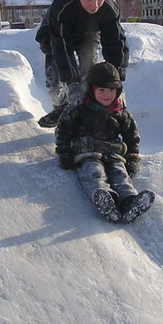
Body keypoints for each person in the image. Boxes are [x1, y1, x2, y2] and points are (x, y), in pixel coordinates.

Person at [55, 61, 154, 224]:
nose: (107, 95)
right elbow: (63, 129)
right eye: (102, 90)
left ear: (118, 90)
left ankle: (129, 201)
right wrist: (64, 153)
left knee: (120, 174)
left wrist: (132, 158)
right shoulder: (79, 109)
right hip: (87, 153)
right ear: (92, 89)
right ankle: (105, 199)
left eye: (111, 90)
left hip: (113, 153)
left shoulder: (120, 112)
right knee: (94, 173)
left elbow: (132, 135)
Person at [36, 0, 129, 127]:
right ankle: (61, 107)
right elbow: (61, 46)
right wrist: (72, 84)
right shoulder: (63, 4)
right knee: (54, 83)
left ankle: (88, 112)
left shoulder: (108, 10)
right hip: (56, 37)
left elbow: (116, 44)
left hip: (88, 35)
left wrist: (116, 81)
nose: (94, 5)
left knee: (89, 74)